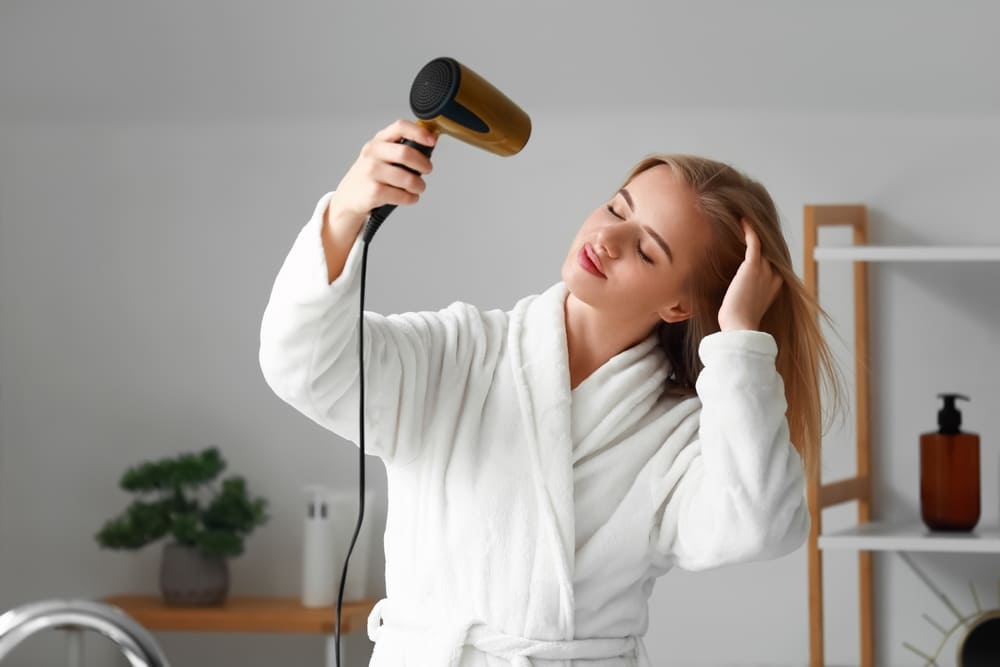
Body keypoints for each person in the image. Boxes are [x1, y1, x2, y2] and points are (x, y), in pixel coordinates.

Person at [259, 119, 843, 666]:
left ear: (678, 306)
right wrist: (344, 215)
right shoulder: (460, 352)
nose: (608, 237)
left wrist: (740, 338)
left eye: (646, 249)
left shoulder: (681, 434)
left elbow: (760, 525)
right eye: (618, 207)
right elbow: (303, 364)